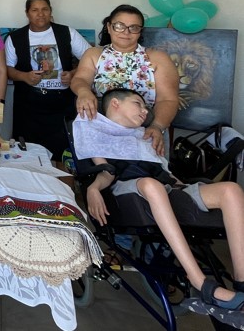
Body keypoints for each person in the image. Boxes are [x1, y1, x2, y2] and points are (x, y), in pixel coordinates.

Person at [80, 89, 244, 310]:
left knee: (231, 190)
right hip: (129, 190)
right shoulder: (97, 132)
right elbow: (106, 171)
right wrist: (93, 188)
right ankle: (199, 281)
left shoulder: (146, 136)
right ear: (116, 103)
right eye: (138, 104)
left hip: (164, 188)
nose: (145, 111)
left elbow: (166, 174)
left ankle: (242, 281)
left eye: (145, 107)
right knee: (152, 185)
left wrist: (183, 186)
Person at [71, 4, 179, 155]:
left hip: (146, 130)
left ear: (140, 31)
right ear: (109, 27)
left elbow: (168, 99)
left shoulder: (158, 58)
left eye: (133, 27)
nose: (126, 32)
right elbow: (80, 79)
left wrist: (157, 126)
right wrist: (83, 92)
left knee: (146, 169)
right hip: (102, 130)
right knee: (103, 168)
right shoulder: (94, 54)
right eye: (119, 26)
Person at [6, 0, 91, 159]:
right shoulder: (15, 38)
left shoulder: (67, 33)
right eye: (35, 10)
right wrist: (25, 76)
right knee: (26, 153)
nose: (40, 14)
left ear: (51, 11)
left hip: (62, 103)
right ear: (27, 13)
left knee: (63, 152)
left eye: (44, 9)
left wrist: (73, 74)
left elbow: (91, 59)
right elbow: (7, 69)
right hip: (28, 105)